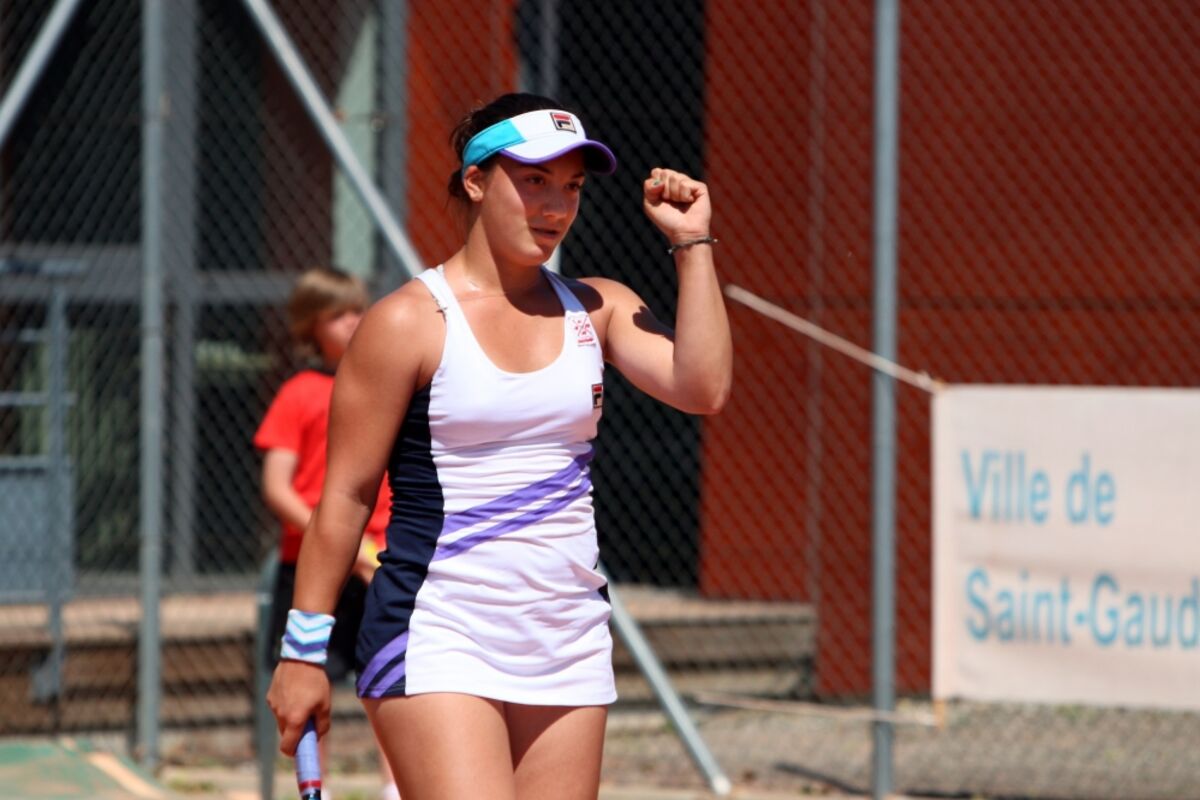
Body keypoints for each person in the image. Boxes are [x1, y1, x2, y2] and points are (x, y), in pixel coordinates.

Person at [267, 93, 732, 800]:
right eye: (534, 180)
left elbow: (703, 387)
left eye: (571, 186)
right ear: (476, 181)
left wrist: (692, 245)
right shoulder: (407, 322)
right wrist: (303, 652)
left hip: (567, 632)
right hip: (438, 625)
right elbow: (347, 496)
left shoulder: (598, 306)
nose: (556, 205)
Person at [254, 266, 399, 800]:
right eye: (338, 315)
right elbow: (278, 487)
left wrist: (374, 553)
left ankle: (396, 787)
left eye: (358, 310)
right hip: (313, 567)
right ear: (310, 326)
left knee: (393, 678)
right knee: (311, 678)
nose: (353, 322)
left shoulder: (387, 385)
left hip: (385, 561)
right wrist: (343, 546)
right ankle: (319, 790)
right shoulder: (298, 393)